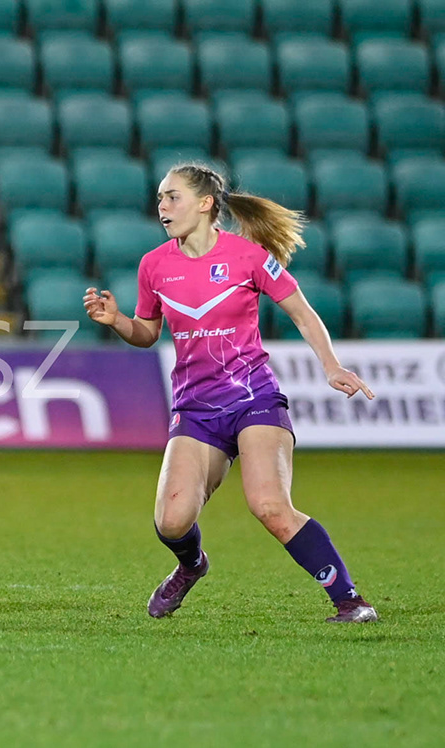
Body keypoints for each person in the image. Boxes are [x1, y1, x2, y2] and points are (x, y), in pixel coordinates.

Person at [82, 163, 378, 623]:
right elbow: (147, 333)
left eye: (172, 196)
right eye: (160, 198)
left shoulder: (249, 257)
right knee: (171, 522)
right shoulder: (154, 265)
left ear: (205, 203)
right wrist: (118, 322)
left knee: (270, 506)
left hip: (253, 398)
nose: (162, 206)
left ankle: (350, 601)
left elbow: (302, 313)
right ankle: (191, 564)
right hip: (195, 409)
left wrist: (331, 365)